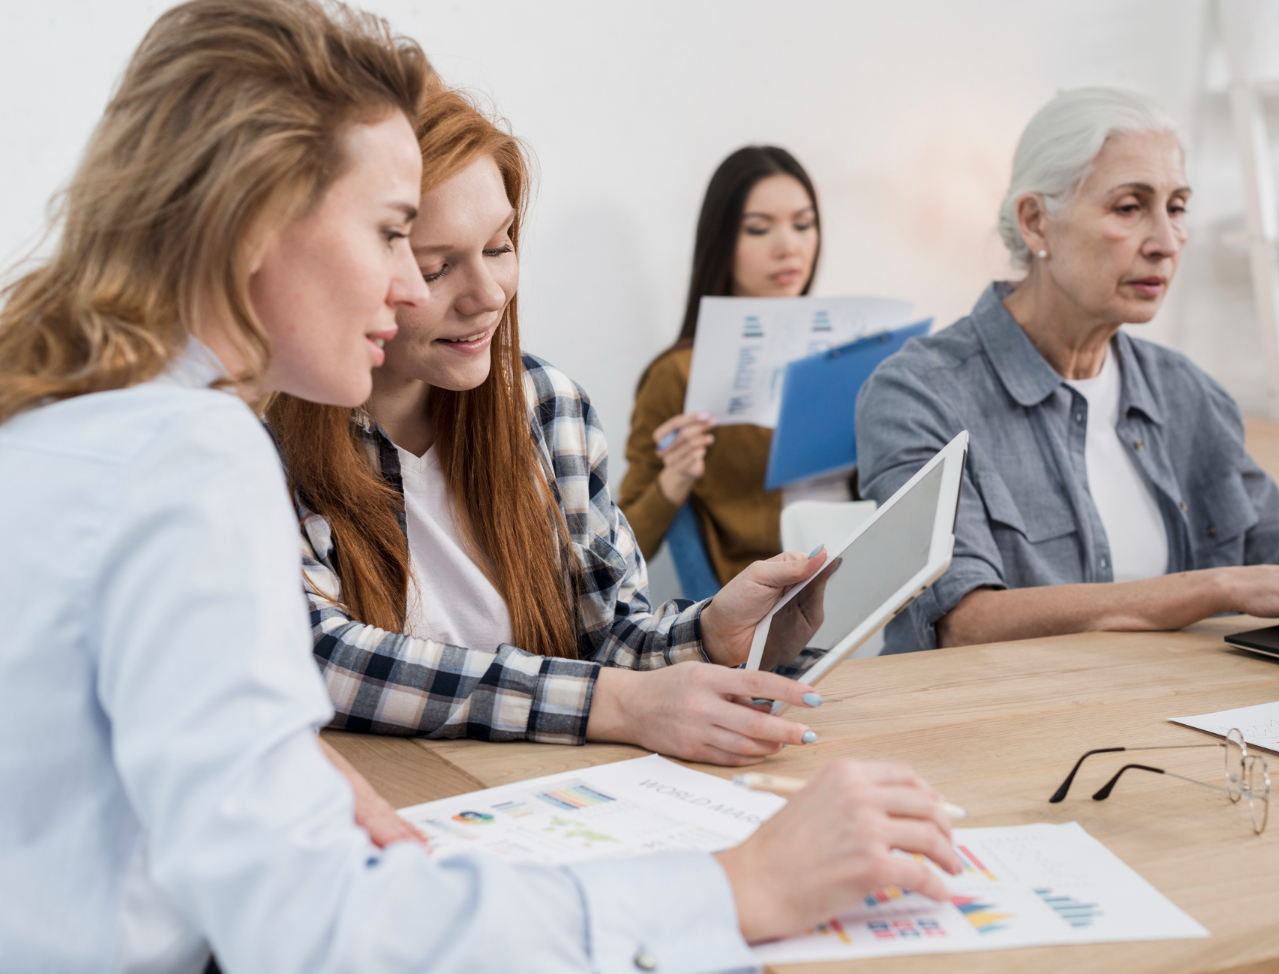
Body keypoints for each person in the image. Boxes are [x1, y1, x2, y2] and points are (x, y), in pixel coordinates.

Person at [0, 3, 962, 971]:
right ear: (256, 220)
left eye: (496, 246)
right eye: (394, 238)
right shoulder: (200, 450)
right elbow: (314, 922)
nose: (413, 291)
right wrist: (736, 886)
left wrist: (290, 762)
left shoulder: (61, 416)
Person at [266, 84, 830, 767]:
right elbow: (321, 656)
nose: (488, 296)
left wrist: (711, 634)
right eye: (437, 266)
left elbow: (606, 638)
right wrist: (612, 705)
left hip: (541, 801)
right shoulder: (264, 437)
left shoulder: (548, 406)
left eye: (501, 247)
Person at [856, 87, 1279, 655]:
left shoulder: (1187, 392)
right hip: (988, 739)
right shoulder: (919, 392)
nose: (1166, 240)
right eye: (1130, 207)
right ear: (1036, 221)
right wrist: (1221, 587)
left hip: (1169, 722)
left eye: (1178, 205)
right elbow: (963, 623)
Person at [620, 146, 843, 587]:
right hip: (772, 600)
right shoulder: (679, 373)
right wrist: (675, 480)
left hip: (865, 570)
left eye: (804, 224)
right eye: (759, 229)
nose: (789, 246)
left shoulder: (847, 347)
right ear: (722, 243)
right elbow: (623, 547)